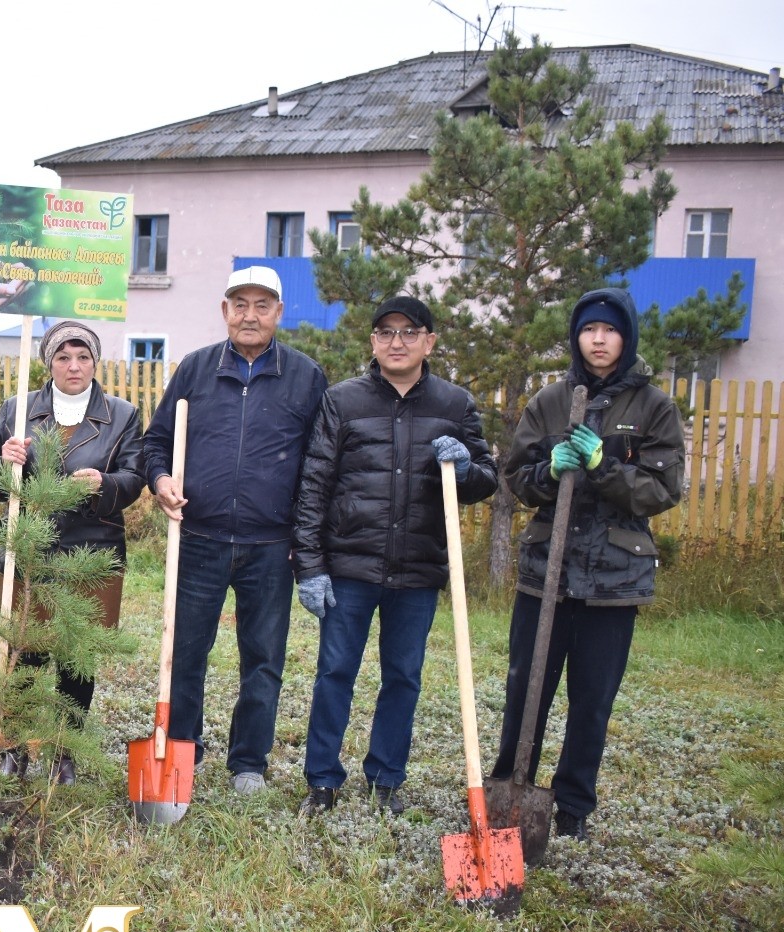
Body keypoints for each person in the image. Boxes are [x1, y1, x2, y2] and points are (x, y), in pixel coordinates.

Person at [488, 288, 683, 840]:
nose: (598, 340)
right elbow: (517, 481)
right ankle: (511, 787)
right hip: (545, 572)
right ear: (576, 337)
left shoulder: (653, 408)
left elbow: (663, 491)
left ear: (627, 337)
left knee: (592, 700)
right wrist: (550, 470)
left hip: (614, 580)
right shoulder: (550, 402)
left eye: (610, 330)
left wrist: (603, 466)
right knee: (525, 688)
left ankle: (572, 806)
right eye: (588, 330)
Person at [291, 296, 496, 816]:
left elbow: (484, 480)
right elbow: (314, 483)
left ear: (429, 341)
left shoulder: (454, 405)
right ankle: (322, 779)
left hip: (417, 569)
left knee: (403, 677)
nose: (397, 342)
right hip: (350, 567)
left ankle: (386, 780)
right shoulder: (344, 400)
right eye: (386, 333)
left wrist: (467, 466)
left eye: (409, 333)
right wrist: (310, 566)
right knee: (336, 670)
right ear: (373, 342)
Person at [142, 265, 328, 794]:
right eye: (239, 304)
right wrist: (160, 480)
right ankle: (182, 750)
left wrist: (305, 539)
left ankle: (249, 763)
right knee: (185, 652)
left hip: (271, 547)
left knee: (263, 659)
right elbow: (156, 442)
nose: (250, 315)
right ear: (225, 311)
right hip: (197, 538)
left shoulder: (305, 377)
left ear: (278, 313)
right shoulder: (196, 371)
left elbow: (320, 464)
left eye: (261, 305)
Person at [0, 321, 145, 784]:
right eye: (64, 358)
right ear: (48, 362)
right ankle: (13, 747)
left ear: (95, 362)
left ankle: (64, 752)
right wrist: (3, 460)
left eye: (83, 357)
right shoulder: (19, 408)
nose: (74, 366)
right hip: (31, 551)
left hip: (94, 551)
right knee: (25, 651)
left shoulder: (122, 415)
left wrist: (105, 483)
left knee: (78, 657)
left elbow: (135, 476)